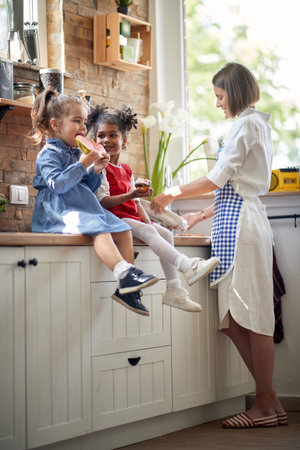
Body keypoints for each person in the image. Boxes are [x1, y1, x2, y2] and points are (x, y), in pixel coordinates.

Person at [151, 63, 287, 428]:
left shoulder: (246, 124)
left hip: (243, 227)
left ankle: (263, 403)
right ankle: (270, 401)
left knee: (254, 318)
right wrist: (198, 217)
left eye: (219, 96)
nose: (217, 103)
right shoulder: (252, 124)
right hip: (238, 220)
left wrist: (172, 192)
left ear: (235, 92)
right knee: (232, 321)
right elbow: (234, 184)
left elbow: (218, 178)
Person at [30, 89, 160, 317]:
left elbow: (87, 187)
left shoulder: (75, 151)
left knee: (123, 229)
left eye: (85, 122)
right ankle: (123, 271)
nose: (83, 128)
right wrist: (82, 164)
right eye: (77, 121)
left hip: (82, 206)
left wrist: (96, 171)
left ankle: (127, 290)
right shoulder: (48, 153)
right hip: (59, 211)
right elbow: (58, 185)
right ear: (56, 124)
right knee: (100, 230)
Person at [86, 104, 220, 312]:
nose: (106, 140)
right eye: (101, 136)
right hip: (114, 218)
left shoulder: (126, 169)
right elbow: (103, 201)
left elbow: (136, 204)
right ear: (95, 141)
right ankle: (187, 265)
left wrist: (149, 222)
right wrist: (132, 196)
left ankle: (174, 289)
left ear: (124, 140)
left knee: (165, 233)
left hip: (131, 218)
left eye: (112, 135)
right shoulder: (100, 168)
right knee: (150, 230)